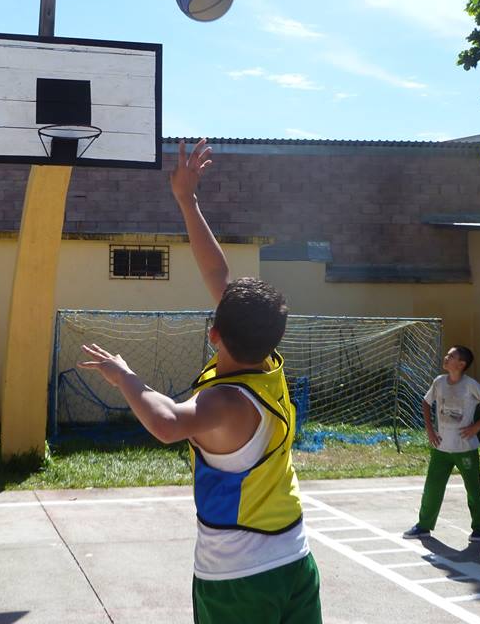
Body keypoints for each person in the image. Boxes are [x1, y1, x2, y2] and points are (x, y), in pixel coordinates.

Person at [79, 138, 322, 624]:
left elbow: (168, 423)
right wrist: (187, 200)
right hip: (296, 557)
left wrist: (125, 376)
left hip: (239, 577)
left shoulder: (227, 403)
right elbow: (218, 272)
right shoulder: (268, 363)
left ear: (214, 333)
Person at [403, 345, 480, 542]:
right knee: (432, 487)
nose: (446, 358)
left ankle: (479, 529)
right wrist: (430, 430)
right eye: (447, 355)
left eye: (451, 356)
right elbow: (426, 402)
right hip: (441, 446)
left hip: (464, 448)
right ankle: (424, 525)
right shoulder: (439, 382)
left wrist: (477, 427)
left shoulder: (470, 385)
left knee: (473, 488)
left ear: (461, 364)